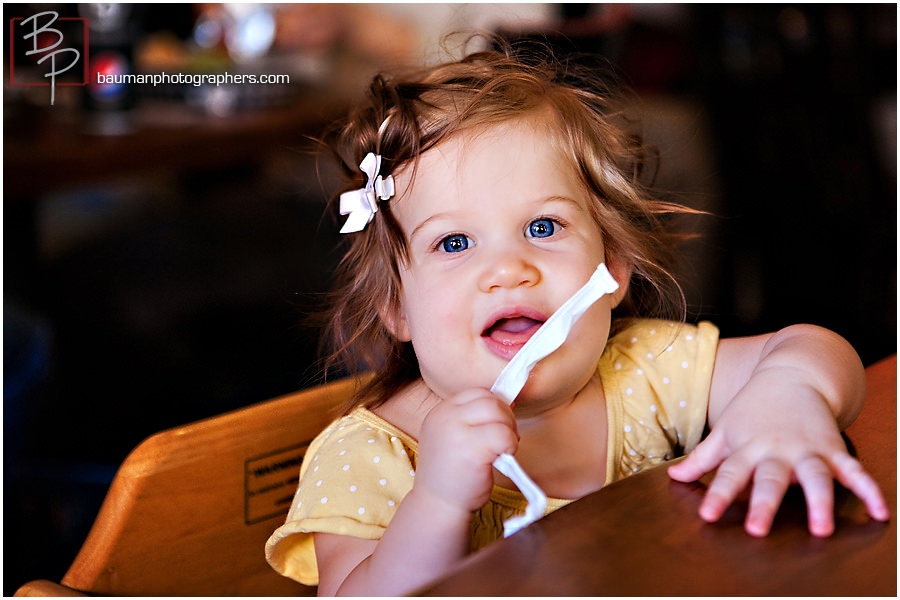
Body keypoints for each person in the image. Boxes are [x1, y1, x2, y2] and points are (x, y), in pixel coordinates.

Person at [266, 41, 889, 596]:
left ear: (611, 269)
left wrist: (790, 395)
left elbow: (809, 347)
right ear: (397, 307)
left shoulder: (640, 371)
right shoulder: (370, 455)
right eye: (454, 243)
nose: (509, 269)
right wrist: (437, 501)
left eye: (544, 228)